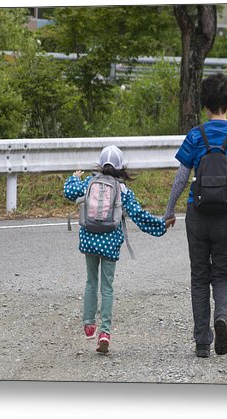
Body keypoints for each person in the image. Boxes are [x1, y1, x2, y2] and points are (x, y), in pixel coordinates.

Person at [164, 73, 227, 358]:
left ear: (206, 105)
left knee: (199, 276)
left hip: (198, 214)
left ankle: (202, 342)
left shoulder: (196, 136)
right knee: (221, 274)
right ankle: (223, 318)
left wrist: (169, 210)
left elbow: (181, 178)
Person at [64, 145, 169, 353]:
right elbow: (138, 216)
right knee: (107, 287)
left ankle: (88, 324)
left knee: (91, 281)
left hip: (89, 239)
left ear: (101, 165)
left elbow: (69, 191)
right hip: (110, 242)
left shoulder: (89, 182)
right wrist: (161, 225)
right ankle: (104, 332)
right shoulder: (122, 190)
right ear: (121, 168)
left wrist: (74, 177)